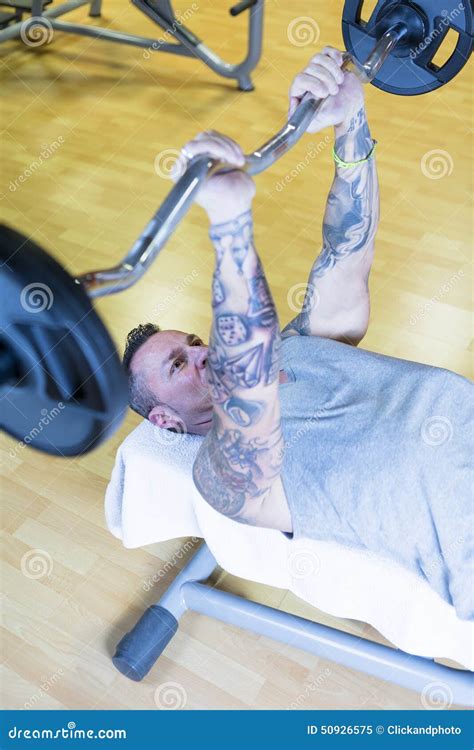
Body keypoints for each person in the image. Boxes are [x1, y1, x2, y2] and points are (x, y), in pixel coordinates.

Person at [123, 48, 473, 620]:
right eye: (178, 366)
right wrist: (231, 224)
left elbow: (350, 252)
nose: (199, 352)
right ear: (163, 420)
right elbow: (248, 387)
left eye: (191, 342)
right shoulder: (223, 477)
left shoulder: (302, 346)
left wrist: (350, 120)